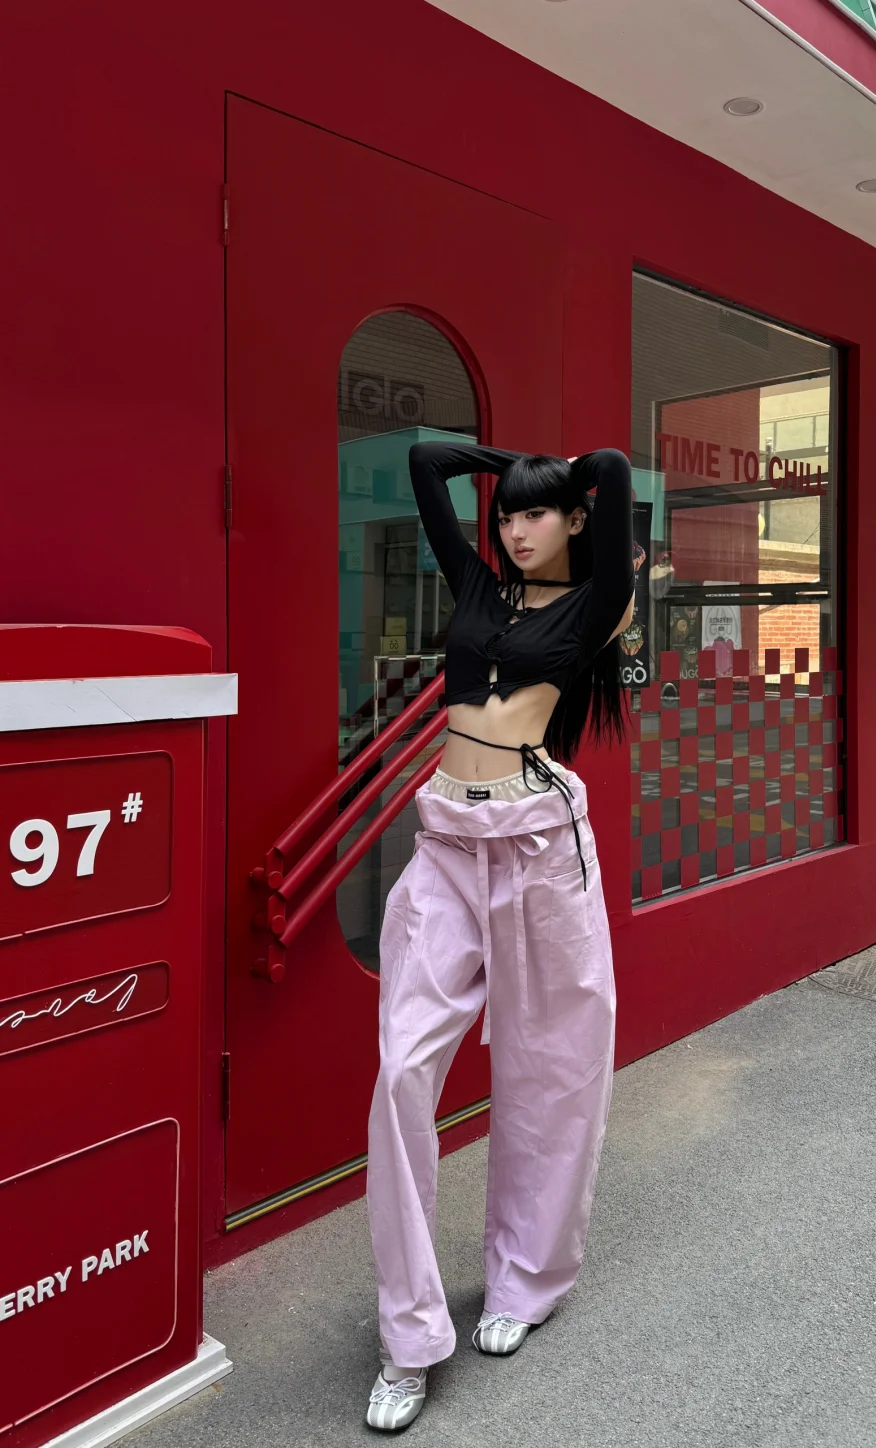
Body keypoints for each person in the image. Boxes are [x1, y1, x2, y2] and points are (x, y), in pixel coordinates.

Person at [365, 439, 633, 1431]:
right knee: (401, 1069)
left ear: (574, 519)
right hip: (446, 844)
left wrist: (570, 471)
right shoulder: (476, 585)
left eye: (537, 512)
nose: (516, 530)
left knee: (554, 1069)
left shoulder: (596, 602)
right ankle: (408, 1337)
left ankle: (527, 1280)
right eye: (508, 514)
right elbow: (422, 462)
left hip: (538, 847)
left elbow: (615, 471)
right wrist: (511, 463)